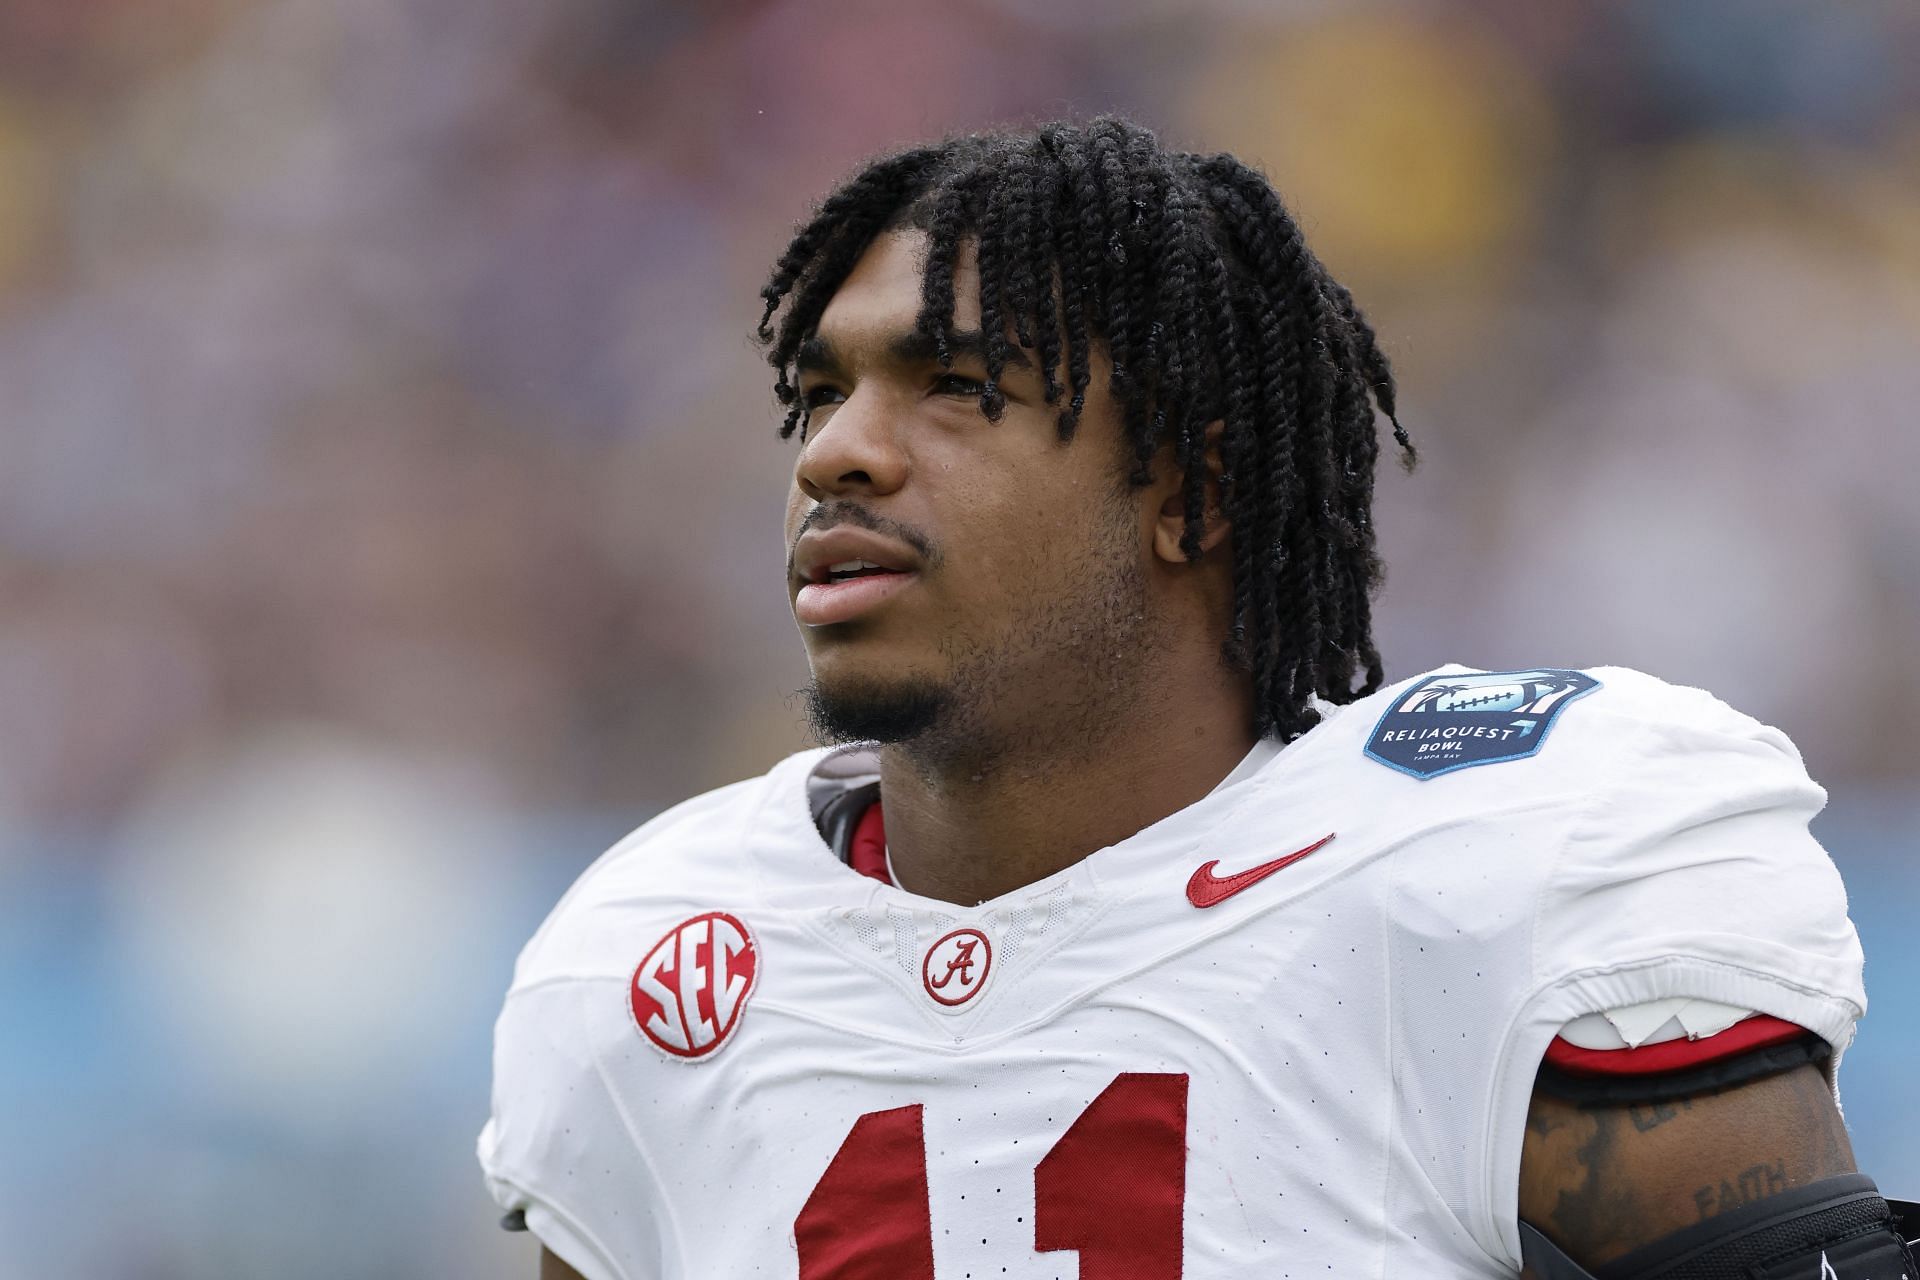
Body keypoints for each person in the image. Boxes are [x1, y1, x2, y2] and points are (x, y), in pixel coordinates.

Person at [478, 118, 1912, 1280]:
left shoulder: (1490, 869)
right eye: (818, 395)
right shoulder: (651, 965)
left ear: (1194, 492)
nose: (836, 454)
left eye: (957, 388)